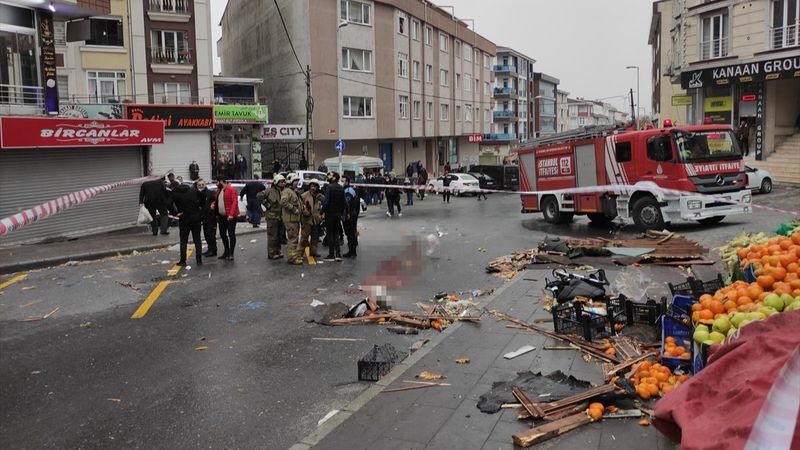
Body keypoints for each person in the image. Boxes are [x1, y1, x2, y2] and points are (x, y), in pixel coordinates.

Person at [171, 183, 205, 266]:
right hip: (196, 218)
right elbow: (203, 196)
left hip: (184, 218)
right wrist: (199, 206)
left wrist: (175, 213)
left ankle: (183, 260)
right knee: (197, 239)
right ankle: (199, 260)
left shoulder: (175, 193)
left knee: (183, 240)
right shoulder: (193, 190)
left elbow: (168, 203)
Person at [212, 176, 239, 261]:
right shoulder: (219, 191)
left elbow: (234, 202)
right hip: (221, 216)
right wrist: (213, 205)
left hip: (230, 216)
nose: (216, 184)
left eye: (217, 182)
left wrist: (231, 214)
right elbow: (217, 200)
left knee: (231, 234)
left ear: (221, 181)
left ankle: (231, 253)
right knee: (223, 234)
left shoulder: (231, 189)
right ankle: (226, 251)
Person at [258, 174, 285, 260]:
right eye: (281, 182)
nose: (283, 183)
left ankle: (278, 250)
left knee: (279, 235)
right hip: (272, 217)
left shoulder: (283, 191)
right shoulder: (269, 191)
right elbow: (259, 196)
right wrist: (267, 204)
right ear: (276, 182)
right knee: (272, 236)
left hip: (280, 217)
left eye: (284, 182)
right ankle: (271, 253)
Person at [322, 172, 346, 261]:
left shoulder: (329, 187)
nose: (328, 176)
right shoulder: (341, 188)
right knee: (336, 234)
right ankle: (338, 254)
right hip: (337, 214)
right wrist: (341, 212)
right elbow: (344, 202)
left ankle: (331, 254)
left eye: (330, 175)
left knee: (330, 234)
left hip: (330, 214)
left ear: (334, 178)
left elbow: (326, 202)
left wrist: (322, 211)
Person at [281, 173, 303, 265]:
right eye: (295, 181)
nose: (297, 182)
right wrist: (294, 210)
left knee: (294, 238)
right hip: (290, 220)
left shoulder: (294, 191)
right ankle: (292, 258)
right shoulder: (287, 191)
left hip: (294, 219)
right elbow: (283, 202)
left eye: (297, 181)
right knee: (293, 239)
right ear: (291, 181)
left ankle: (293, 256)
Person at [300, 179, 323, 259]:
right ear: (309, 186)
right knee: (304, 237)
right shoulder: (304, 195)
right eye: (312, 186)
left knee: (315, 237)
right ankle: (300, 254)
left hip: (316, 220)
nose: (313, 188)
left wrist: (322, 215)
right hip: (306, 220)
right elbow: (300, 206)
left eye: (315, 186)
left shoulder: (320, 196)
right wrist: (304, 212)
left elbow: (324, 206)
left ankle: (313, 252)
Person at [196, 179, 217, 257]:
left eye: (202, 184)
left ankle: (213, 250)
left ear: (205, 184)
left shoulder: (210, 193)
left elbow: (216, 201)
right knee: (206, 234)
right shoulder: (198, 194)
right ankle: (210, 249)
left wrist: (213, 207)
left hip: (211, 217)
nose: (201, 186)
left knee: (211, 234)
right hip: (204, 217)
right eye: (199, 185)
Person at [342, 176, 360, 258]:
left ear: (348, 182)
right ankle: (351, 251)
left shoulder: (348, 191)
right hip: (352, 213)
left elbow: (347, 203)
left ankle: (352, 252)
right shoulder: (348, 190)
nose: (342, 183)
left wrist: (347, 214)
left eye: (343, 181)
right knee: (350, 233)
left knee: (350, 234)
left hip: (350, 214)